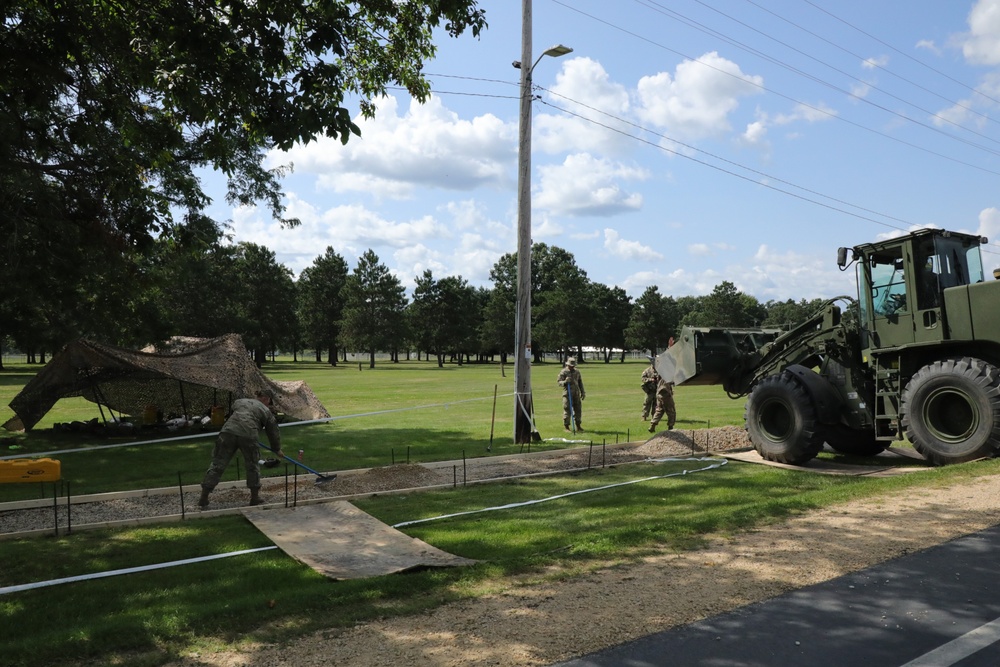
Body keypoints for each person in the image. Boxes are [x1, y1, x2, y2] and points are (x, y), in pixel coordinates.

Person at [198, 389, 284, 508]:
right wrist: (277, 448)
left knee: (218, 464)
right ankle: (255, 497)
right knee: (252, 465)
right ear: (267, 399)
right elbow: (273, 431)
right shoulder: (266, 410)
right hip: (248, 434)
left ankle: (204, 497)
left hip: (227, 432)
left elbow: (236, 412)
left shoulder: (240, 402)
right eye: (269, 402)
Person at [557, 356, 585, 432]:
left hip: (576, 393)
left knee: (578, 410)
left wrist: (582, 392)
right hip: (567, 393)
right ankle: (566, 426)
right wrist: (565, 381)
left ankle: (578, 426)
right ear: (568, 365)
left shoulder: (577, 371)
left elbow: (580, 382)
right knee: (567, 410)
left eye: (573, 366)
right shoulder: (564, 372)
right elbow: (559, 382)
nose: (572, 367)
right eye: (571, 366)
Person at [640, 356, 659, 421]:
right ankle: (644, 416)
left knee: (656, 404)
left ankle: (654, 416)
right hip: (650, 391)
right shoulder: (647, 371)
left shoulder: (660, 371)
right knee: (647, 403)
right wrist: (650, 380)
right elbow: (643, 379)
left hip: (657, 390)